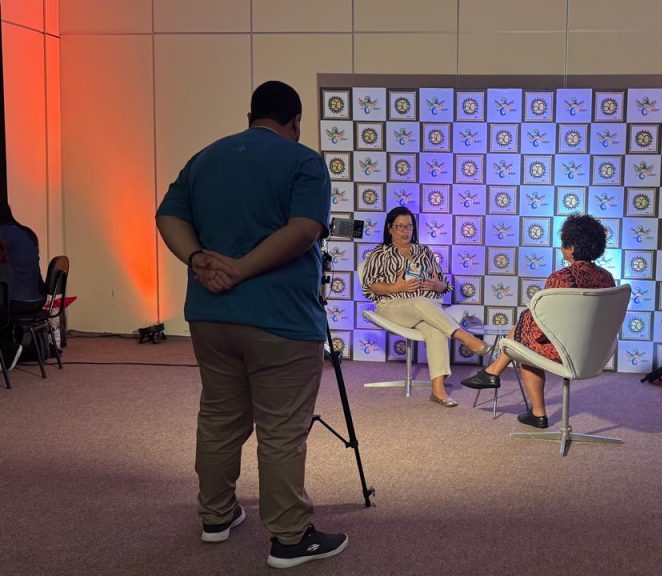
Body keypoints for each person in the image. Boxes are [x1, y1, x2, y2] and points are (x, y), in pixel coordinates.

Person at [156, 80, 347, 569]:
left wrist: (197, 258)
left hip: (210, 315)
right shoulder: (304, 162)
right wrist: (242, 269)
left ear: (250, 117)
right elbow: (304, 230)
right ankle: (289, 538)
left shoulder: (205, 159)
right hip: (281, 320)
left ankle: (215, 516)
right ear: (295, 120)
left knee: (219, 418)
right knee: (281, 430)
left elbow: (167, 217)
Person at [461, 214, 615, 428]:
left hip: (565, 351)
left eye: (563, 243)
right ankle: (499, 379)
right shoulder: (607, 278)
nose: (561, 248)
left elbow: (543, 329)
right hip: (595, 353)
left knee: (524, 337)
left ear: (571, 248)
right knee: (526, 326)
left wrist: (525, 322)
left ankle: (502, 380)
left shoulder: (561, 278)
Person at [361, 206, 491, 407]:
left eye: (409, 226)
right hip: (392, 307)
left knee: (435, 329)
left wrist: (437, 285)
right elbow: (370, 285)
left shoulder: (424, 252)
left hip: (427, 307)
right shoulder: (380, 253)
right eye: (400, 226)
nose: (405, 231)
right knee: (420, 302)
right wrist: (396, 286)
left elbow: (444, 285)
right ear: (390, 228)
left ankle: (438, 391)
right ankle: (466, 338)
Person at [0, 203, 46, 368]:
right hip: (36, 298)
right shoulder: (24, 233)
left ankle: (7, 351)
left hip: (16, 301)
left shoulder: (3, 234)